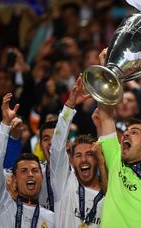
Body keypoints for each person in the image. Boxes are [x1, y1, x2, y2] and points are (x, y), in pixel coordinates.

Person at [97, 44, 141, 227]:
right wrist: (108, 70)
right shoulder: (115, 158)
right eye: (126, 132)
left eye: (135, 132)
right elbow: (105, 116)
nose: (126, 135)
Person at [0, 93, 54, 227]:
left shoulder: (52, 219)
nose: (30, 174)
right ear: (14, 180)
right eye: (24, 170)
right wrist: (5, 124)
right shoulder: (0, 206)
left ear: (42, 177)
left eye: (35, 170)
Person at [49, 75, 107, 227]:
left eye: (89, 154)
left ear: (97, 159)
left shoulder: (110, 193)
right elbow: (57, 146)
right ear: (71, 160)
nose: (83, 160)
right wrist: (69, 105)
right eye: (78, 155)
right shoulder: (64, 183)